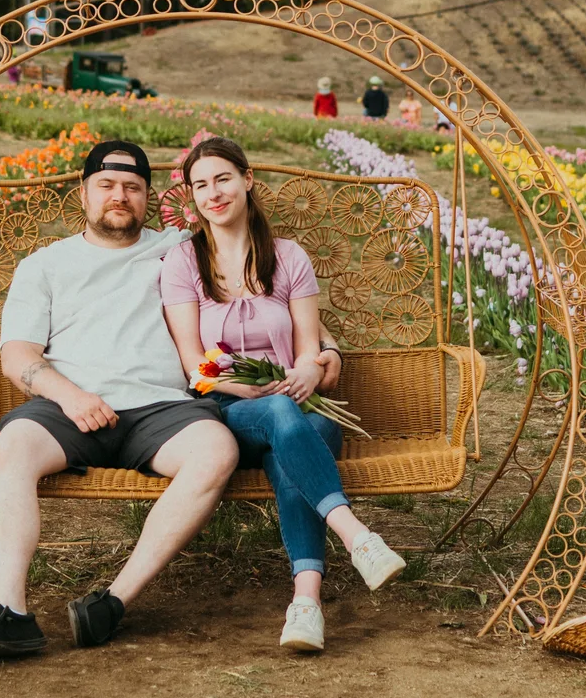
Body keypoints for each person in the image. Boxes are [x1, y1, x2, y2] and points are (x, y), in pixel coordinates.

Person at [0, 139, 240, 665]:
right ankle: (8, 612)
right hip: (67, 406)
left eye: (132, 187)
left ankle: (111, 603)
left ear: (148, 197)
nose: (119, 196)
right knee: (14, 443)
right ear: (83, 193)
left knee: (217, 450)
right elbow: (17, 357)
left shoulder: (182, 250)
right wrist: (72, 395)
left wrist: (324, 346)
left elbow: (266, 287)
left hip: (161, 410)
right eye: (106, 185)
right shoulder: (47, 264)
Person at [161, 137, 406, 653]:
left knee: (301, 434)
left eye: (223, 179)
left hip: (301, 409)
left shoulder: (289, 257)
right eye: (200, 185)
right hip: (228, 411)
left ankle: (306, 604)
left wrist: (309, 372)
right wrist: (240, 384)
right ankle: (356, 536)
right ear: (192, 197)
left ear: (247, 180)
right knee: (277, 413)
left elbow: (306, 345)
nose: (213, 193)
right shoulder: (184, 262)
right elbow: (192, 366)